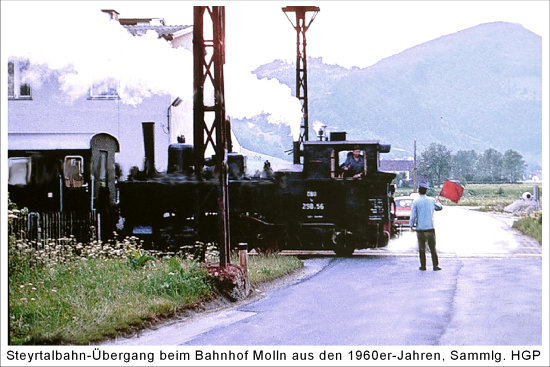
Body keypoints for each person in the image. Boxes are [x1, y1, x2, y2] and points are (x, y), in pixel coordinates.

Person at [409, 182, 443, 271]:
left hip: (420, 229)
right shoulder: (431, 200)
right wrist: (438, 201)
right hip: (430, 228)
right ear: (426, 190)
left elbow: (413, 215)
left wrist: (411, 225)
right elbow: (439, 207)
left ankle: (423, 266)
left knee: (422, 248)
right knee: (432, 248)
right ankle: (435, 265)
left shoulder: (416, 201)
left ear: (419, 191)